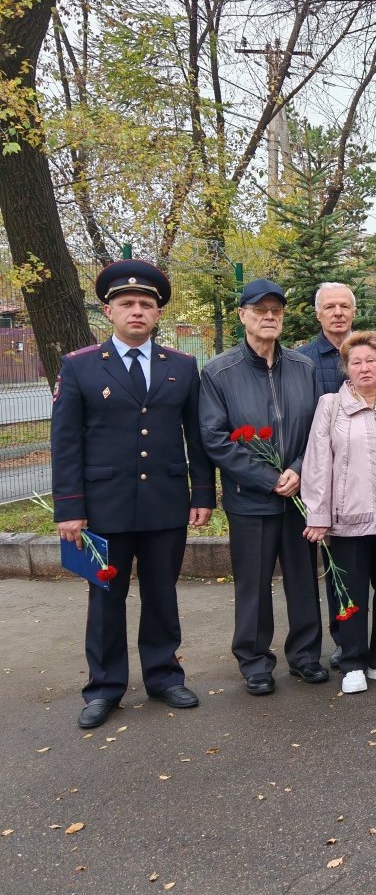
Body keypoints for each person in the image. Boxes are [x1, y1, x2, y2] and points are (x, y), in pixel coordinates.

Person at [51, 260, 215, 729]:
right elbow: (65, 443)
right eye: (127, 304)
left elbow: (196, 436)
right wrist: (70, 508)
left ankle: (165, 677)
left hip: (165, 502)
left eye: (146, 304)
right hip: (104, 507)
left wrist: (202, 494)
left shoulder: (182, 366)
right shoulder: (80, 366)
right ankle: (104, 688)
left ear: (158, 313)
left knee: (163, 594)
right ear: (109, 310)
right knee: (105, 599)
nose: (137, 311)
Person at [200, 279, 325, 696]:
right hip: (250, 499)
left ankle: (306, 656)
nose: (269, 317)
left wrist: (301, 470)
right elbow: (215, 438)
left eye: (276, 310)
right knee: (253, 584)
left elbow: (320, 431)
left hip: (300, 497)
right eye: (260, 310)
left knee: (304, 580)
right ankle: (255, 661)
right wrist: (270, 479)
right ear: (242, 316)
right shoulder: (219, 372)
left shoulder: (303, 368)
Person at [296, 282, 376, 664]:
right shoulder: (309, 365)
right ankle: (349, 650)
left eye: (344, 305)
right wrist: (319, 511)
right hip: (348, 508)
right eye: (330, 306)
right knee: (346, 587)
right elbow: (318, 457)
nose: (338, 312)